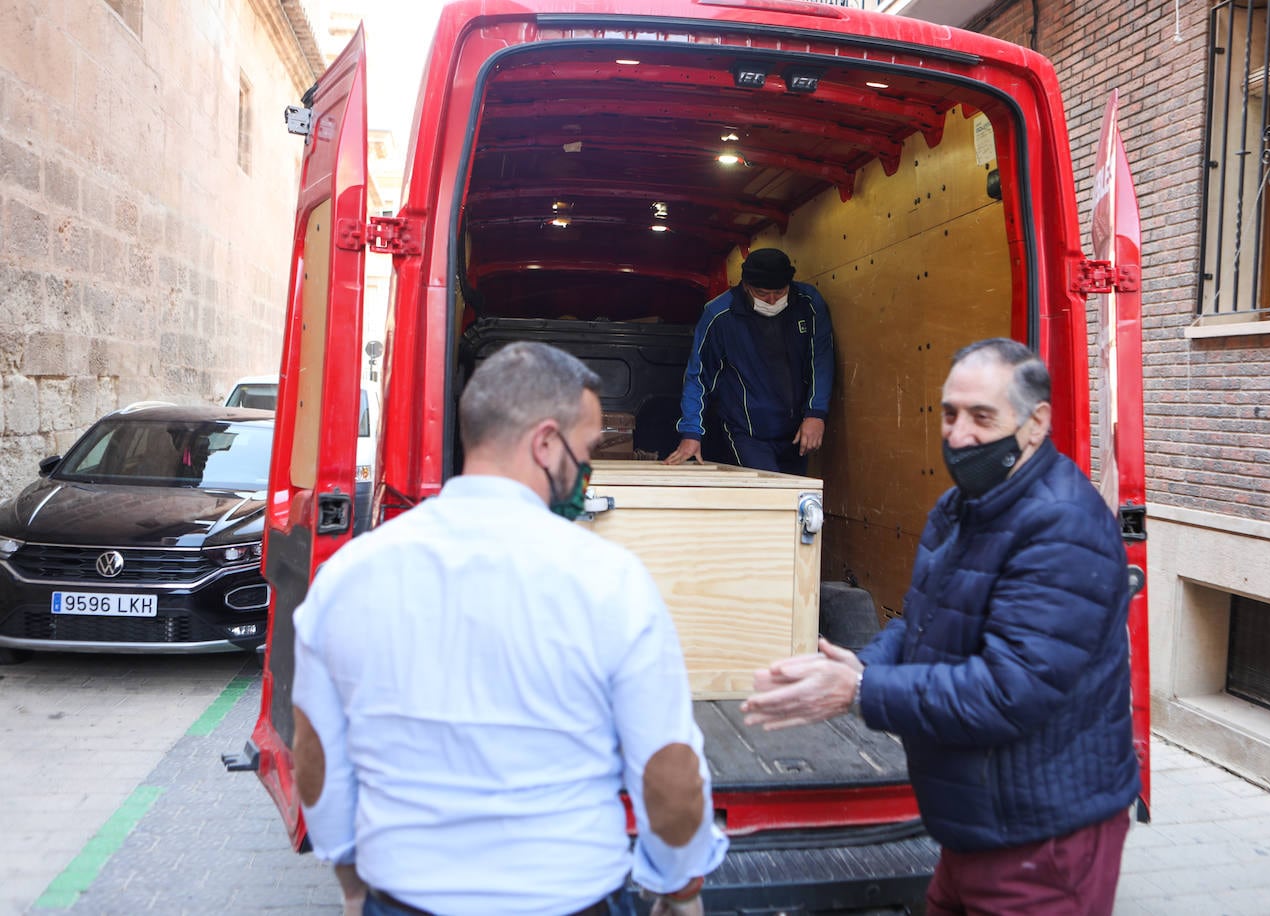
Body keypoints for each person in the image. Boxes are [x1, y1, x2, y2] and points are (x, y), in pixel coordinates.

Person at [291, 341, 728, 916]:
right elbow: (668, 774)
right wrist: (681, 888)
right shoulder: (610, 580)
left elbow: (316, 758)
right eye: (588, 448)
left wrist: (350, 879)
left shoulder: (347, 575)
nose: (589, 469)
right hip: (571, 898)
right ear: (546, 443)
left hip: (402, 897)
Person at [741, 338, 1140, 915]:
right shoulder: (962, 506)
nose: (957, 436)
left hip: (1042, 840)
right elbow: (926, 621)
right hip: (977, 824)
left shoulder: (1061, 527)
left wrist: (860, 692)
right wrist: (864, 664)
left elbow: (1010, 691)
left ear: (1036, 425)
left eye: (982, 418)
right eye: (949, 414)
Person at [664, 247, 834, 474]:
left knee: (793, 500)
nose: (772, 301)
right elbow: (699, 377)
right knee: (768, 494)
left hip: (798, 430)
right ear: (746, 286)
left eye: (780, 292)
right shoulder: (719, 315)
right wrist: (691, 433)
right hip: (747, 433)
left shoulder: (809, 304)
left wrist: (816, 413)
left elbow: (821, 360)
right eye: (763, 294)